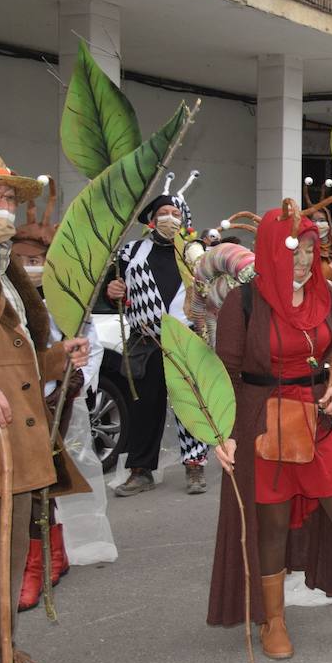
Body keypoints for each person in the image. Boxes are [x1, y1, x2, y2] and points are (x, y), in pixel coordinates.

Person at [208, 200, 332, 659]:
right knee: (272, 526)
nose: (305, 260)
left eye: (310, 249)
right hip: (262, 424)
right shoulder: (242, 301)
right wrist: (222, 434)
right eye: (295, 251)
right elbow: (223, 372)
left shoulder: (324, 292)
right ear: (270, 250)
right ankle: (273, 621)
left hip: (318, 419)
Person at [0, 151, 89, 663]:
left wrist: (55, 358)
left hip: (12, 444)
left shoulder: (2, 266)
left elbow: (9, 360)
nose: (2, 208)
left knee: (0, 564)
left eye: (7, 198)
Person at [10, 179, 103, 611]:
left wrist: (79, 374)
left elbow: (89, 341)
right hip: (12, 401)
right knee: (27, 485)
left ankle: (42, 561)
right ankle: (44, 556)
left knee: (45, 482)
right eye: (21, 260)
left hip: (54, 400)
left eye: (35, 260)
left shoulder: (66, 299)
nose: (28, 266)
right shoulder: (4, 297)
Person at [104, 172, 211, 496]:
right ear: (151, 220)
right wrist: (114, 290)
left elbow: (217, 291)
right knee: (144, 407)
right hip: (145, 340)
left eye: (175, 213)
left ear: (185, 219)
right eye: (162, 214)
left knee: (190, 404)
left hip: (186, 339)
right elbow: (110, 290)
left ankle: (195, 467)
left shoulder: (195, 253)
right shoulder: (130, 252)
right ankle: (140, 470)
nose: (168, 218)